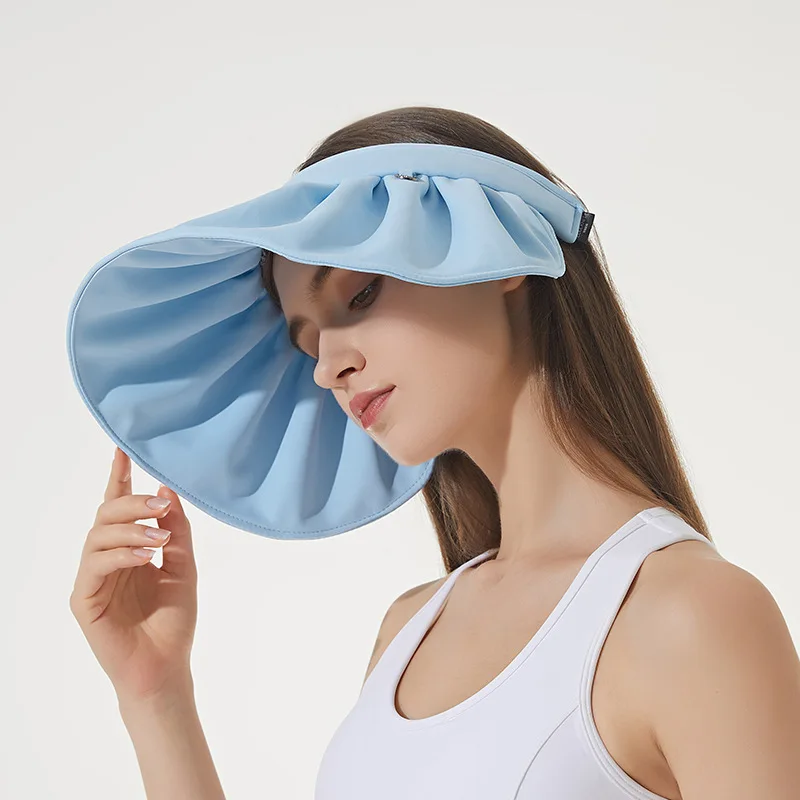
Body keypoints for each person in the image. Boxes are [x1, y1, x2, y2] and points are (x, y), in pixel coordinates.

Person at [69, 106, 800, 799]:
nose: (328, 367)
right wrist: (155, 693)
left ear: (499, 248)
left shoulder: (689, 615)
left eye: (360, 295)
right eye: (308, 343)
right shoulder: (408, 630)